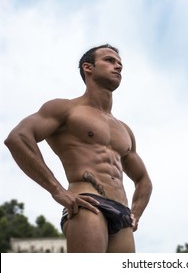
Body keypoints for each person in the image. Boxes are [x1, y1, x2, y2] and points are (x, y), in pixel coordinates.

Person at [4, 44, 152, 253]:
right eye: (110, 60)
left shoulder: (124, 130)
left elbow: (143, 180)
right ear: (88, 67)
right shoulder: (66, 109)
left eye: (120, 63)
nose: (118, 66)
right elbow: (17, 138)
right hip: (88, 204)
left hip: (122, 214)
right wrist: (57, 190)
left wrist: (135, 213)